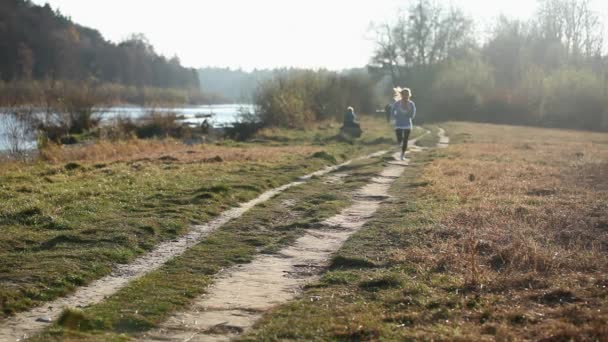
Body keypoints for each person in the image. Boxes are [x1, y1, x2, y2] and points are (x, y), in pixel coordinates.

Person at [390, 87, 416, 160]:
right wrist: (394, 118)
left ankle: (402, 155)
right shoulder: (397, 103)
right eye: (404, 94)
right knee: (400, 140)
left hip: (407, 124)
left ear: (409, 95)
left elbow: (413, 114)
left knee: (405, 140)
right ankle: (399, 146)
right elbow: (392, 111)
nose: (406, 96)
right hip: (398, 124)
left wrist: (409, 115)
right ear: (401, 95)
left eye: (407, 94)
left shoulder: (411, 104)